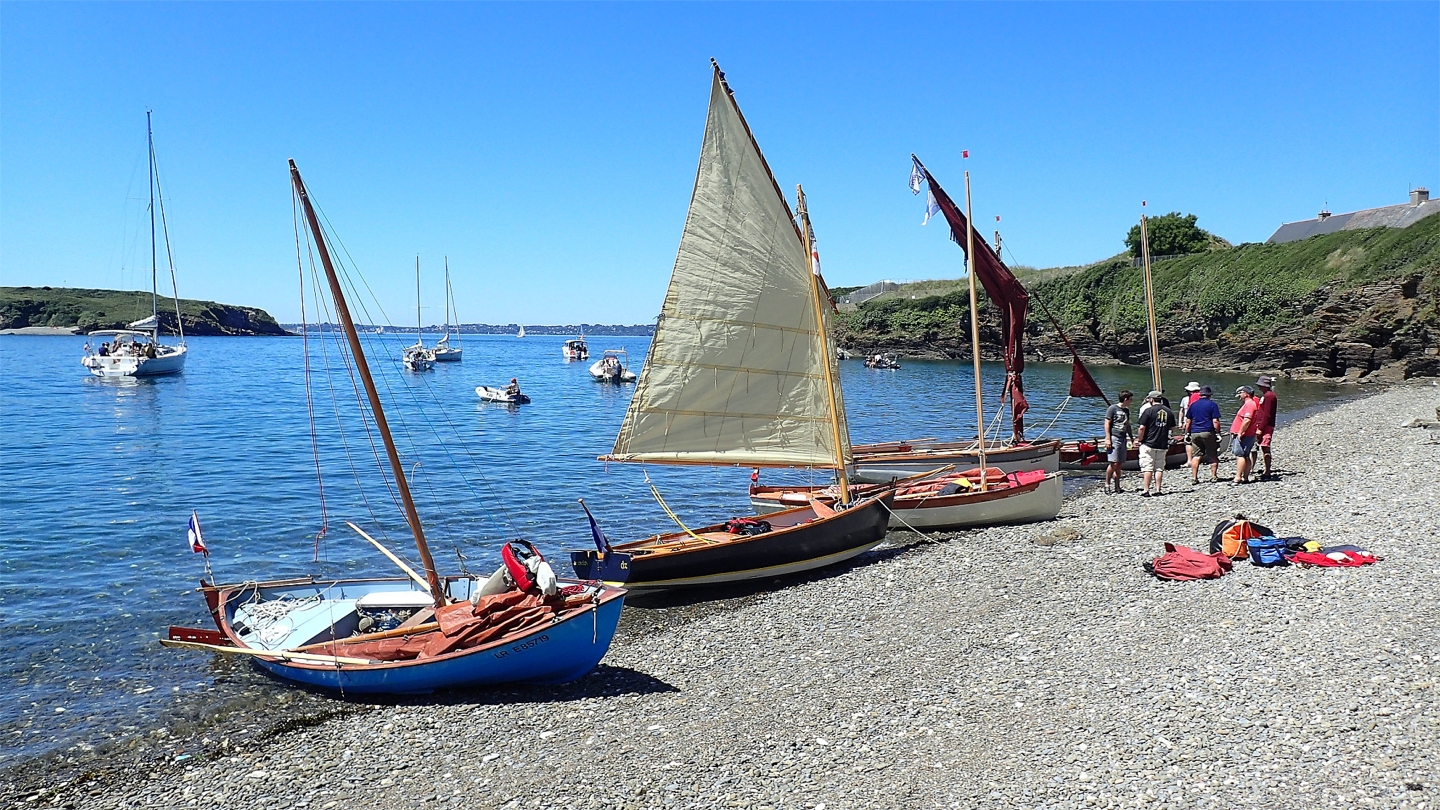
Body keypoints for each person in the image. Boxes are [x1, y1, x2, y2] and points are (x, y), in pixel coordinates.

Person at [1134, 390, 1174, 497]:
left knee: (1148, 467)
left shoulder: (1148, 411)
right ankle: (1158, 489)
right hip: (1162, 443)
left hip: (1148, 443)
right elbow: (1172, 427)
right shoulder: (1168, 411)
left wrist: (1139, 439)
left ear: (1151, 399)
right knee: (1159, 467)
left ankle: (1146, 490)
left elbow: (1142, 428)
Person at [1185, 385, 1222, 484]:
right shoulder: (1212, 405)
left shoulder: (1193, 405)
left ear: (1200, 395)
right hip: (1208, 432)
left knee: (1196, 455)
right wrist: (1218, 433)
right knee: (1212, 454)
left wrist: (1187, 433)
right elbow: (1215, 421)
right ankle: (1213, 476)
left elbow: (1188, 421)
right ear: (1209, 395)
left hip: (1195, 432)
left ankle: (1194, 478)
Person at [1103, 390, 1134, 494]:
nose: (1131, 402)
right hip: (1114, 437)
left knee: (1119, 464)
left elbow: (1127, 425)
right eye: (1130, 399)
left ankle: (1117, 486)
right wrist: (1108, 438)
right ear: (1125, 399)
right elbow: (1107, 423)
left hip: (1123, 438)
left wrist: (1131, 437)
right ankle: (1107, 484)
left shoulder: (1126, 411)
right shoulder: (1112, 408)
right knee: (1114, 463)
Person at [1231, 386, 1261, 484]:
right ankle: (1245, 477)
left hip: (1245, 434)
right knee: (1245, 455)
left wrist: (1240, 432)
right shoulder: (1250, 404)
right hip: (1248, 433)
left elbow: (1247, 420)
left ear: (1246, 394)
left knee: (1240, 455)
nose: (1240, 395)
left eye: (1241, 393)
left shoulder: (1250, 404)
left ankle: (1238, 477)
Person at [1253, 375, 1279, 479]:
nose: (1258, 387)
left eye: (1260, 385)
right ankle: (1264, 469)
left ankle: (1267, 471)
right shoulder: (1267, 395)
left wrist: (1260, 428)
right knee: (1262, 447)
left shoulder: (1269, 396)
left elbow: (1267, 414)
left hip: (1266, 426)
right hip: (1263, 424)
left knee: (1265, 447)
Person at [1179, 381, 1202, 466]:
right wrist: (1180, 422)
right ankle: (1190, 460)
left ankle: (1195, 458)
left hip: (1194, 422)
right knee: (1188, 440)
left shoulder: (1200, 399)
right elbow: (1181, 411)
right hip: (1187, 421)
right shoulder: (1185, 399)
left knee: (1191, 440)